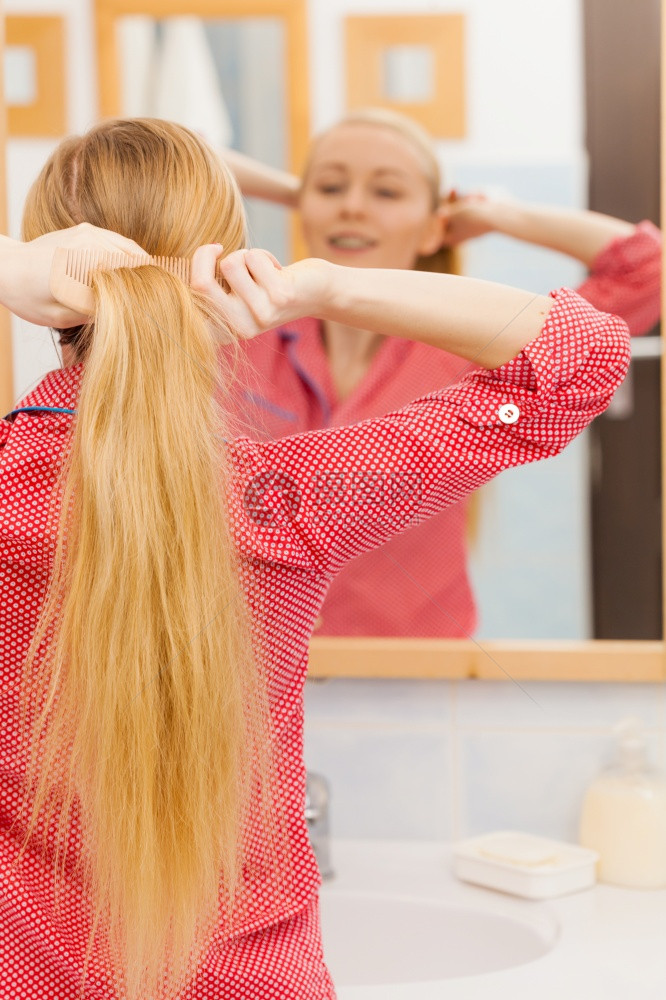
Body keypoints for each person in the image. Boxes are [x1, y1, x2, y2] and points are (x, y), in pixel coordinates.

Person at [0, 117, 630, 1000]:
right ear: (225, 257)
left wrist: (9, 266)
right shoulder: (285, 500)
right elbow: (579, 359)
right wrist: (327, 287)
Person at [220, 108, 661, 638]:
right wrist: (300, 193)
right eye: (331, 188)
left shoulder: (472, 350)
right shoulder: (235, 338)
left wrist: (496, 214)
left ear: (435, 228)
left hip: (417, 658)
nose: (353, 207)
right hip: (246, 659)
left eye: (386, 193)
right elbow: (116, 152)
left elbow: (644, 270)